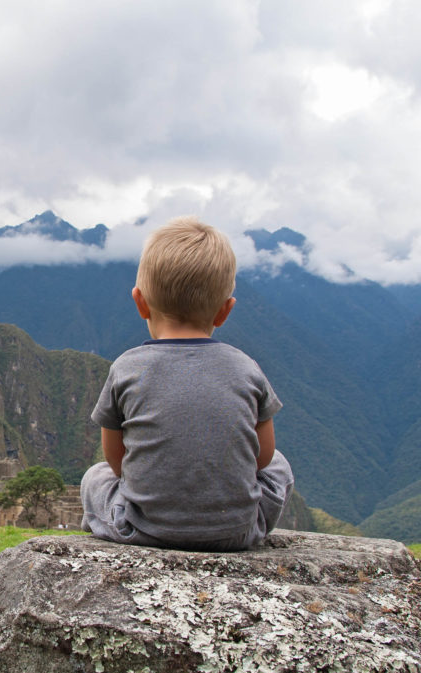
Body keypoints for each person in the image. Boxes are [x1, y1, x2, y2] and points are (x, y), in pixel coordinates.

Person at [80, 216, 294, 552]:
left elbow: (116, 460)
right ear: (225, 311)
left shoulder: (125, 368)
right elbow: (263, 457)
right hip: (237, 533)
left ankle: (103, 522)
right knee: (280, 465)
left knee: (95, 477)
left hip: (144, 529)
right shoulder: (247, 368)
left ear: (139, 302)